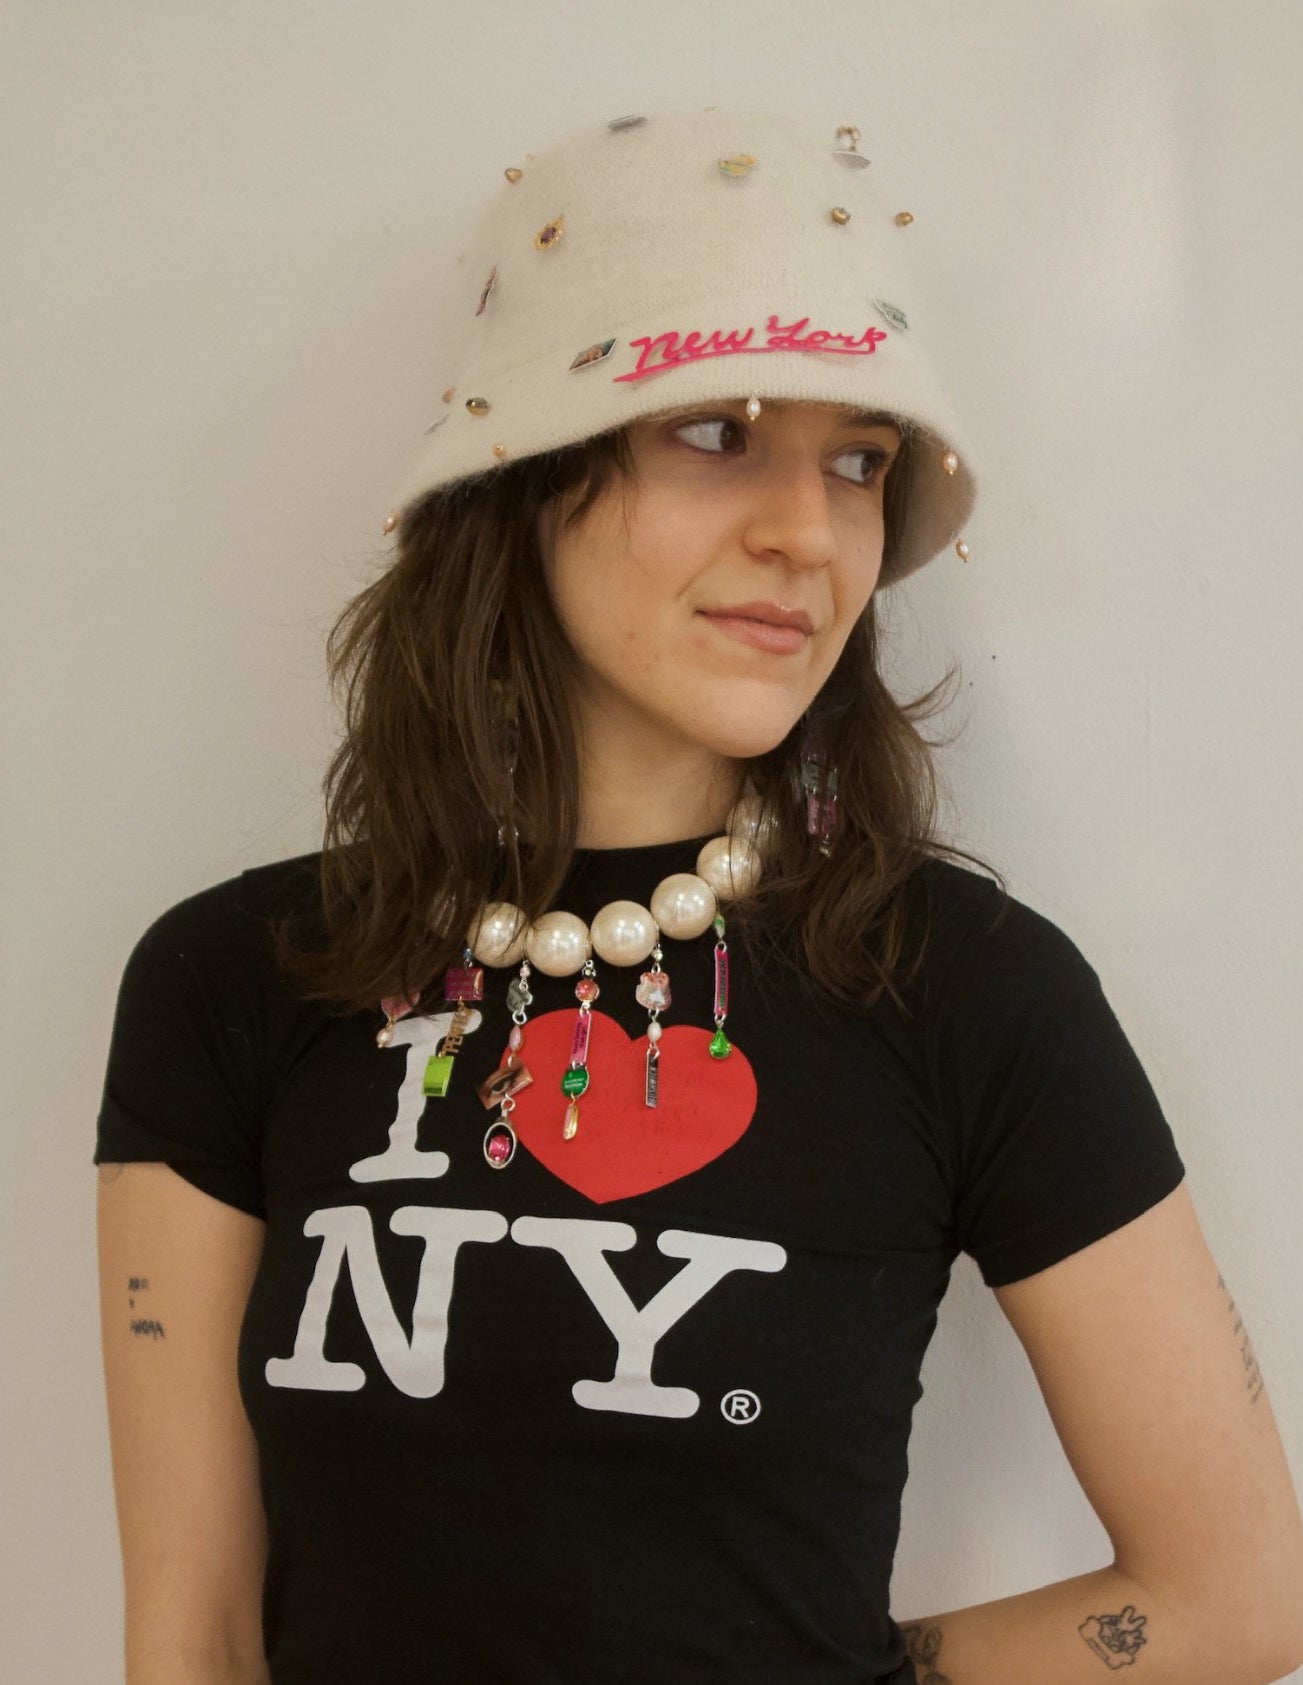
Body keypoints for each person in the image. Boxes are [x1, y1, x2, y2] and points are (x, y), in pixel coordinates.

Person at [93, 107, 1303, 1685]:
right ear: (526, 476)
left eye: (859, 462)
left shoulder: (970, 992)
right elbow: (192, 1635)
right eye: (720, 432)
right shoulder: (233, 978)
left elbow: (1236, 1593)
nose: (809, 532)